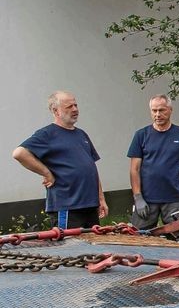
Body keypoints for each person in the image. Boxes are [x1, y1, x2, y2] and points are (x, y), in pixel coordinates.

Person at [12, 91, 108, 229]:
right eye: (69, 106)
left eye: (76, 105)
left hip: (90, 206)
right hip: (68, 207)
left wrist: (101, 199)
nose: (75, 109)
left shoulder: (81, 134)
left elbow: (91, 168)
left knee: (94, 247)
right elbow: (19, 153)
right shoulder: (47, 134)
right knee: (70, 248)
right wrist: (46, 173)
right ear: (55, 111)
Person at [127, 94, 179, 229]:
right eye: (154, 111)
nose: (157, 114)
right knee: (139, 237)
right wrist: (138, 197)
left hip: (174, 198)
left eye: (162, 110)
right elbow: (134, 169)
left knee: (178, 236)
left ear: (170, 110)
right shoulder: (141, 135)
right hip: (147, 198)